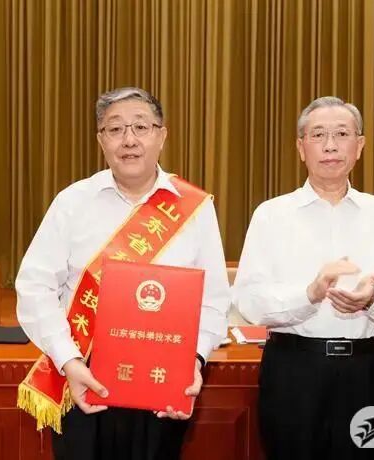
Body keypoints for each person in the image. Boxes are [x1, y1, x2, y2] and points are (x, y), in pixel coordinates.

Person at [15, 87, 230, 460]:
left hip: (164, 378)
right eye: (115, 129)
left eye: (141, 127)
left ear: (162, 135)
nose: (129, 140)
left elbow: (213, 300)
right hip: (83, 376)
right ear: (101, 140)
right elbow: (35, 286)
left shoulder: (194, 208)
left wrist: (192, 363)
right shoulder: (72, 202)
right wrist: (69, 360)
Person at [232, 96, 374, 459]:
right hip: (293, 372)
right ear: (301, 148)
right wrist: (309, 294)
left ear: (360, 146)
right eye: (318, 134)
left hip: (366, 373)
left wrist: (373, 299)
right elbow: (249, 302)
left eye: (342, 134)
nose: (330, 145)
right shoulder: (271, 215)